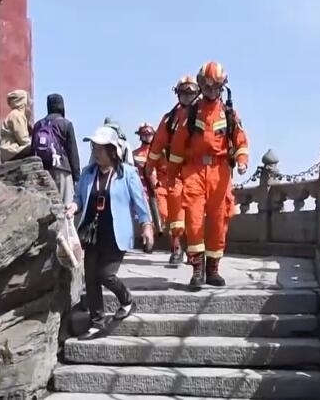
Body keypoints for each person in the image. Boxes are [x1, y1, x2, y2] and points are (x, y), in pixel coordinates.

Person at [166, 61, 250, 289]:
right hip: (194, 171)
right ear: (201, 86)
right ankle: (197, 270)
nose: (211, 91)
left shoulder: (229, 113)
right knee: (194, 222)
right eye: (207, 87)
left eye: (215, 87)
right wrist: (171, 175)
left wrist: (242, 161)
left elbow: (240, 140)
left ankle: (213, 269)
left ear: (222, 87)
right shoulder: (192, 112)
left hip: (220, 173)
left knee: (218, 223)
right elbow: (177, 146)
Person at [66, 126, 154, 340]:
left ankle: (127, 300)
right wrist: (73, 207)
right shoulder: (88, 173)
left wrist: (146, 225)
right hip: (92, 232)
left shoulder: (127, 173)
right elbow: (79, 198)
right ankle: (97, 322)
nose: (96, 152)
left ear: (113, 151)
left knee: (105, 274)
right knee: (91, 277)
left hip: (116, 233)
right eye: (94, 148)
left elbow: (140, 202)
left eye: (100, 149)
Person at [144, 76, 200, 265]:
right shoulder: (170, 119)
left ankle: (195, 253)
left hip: (198, 171)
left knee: (195, 213)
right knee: (175, 210)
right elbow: (158, 143)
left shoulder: (206, 114)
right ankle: (176, 247)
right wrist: (150, 166)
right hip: (175, 171)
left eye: (191, 92)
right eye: (183, 92)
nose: (187, 96)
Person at [32, 93, 81, 205]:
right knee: (66, 208)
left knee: (46, 206)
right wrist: (77, 176)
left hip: (43, 170)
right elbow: (72, 152)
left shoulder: (38, 125)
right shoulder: (66, 124)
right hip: (62, 169)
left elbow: (32, 150)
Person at [0, 89, 32, 161]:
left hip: (9, 149)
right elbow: (23, 139)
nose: (30, 102)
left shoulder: (16, 114)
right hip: (10, 150)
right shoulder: (17, 115)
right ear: (22, 101)